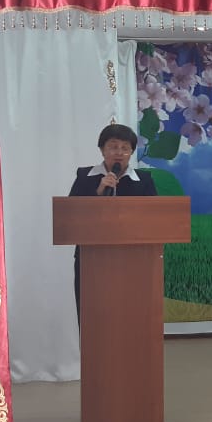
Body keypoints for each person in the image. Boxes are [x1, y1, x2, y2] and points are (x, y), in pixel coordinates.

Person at [68, 124, 158, 329]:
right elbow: (71, 215)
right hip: (91, 259)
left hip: (133, 260)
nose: (119, 152)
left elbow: (153, 219)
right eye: (113, 146)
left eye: (125, 148)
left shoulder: (143, 181)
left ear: (131, 152)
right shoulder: (85, 177)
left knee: (130, 315)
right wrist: (99, 192)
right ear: (102, 150)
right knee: (93, 316)